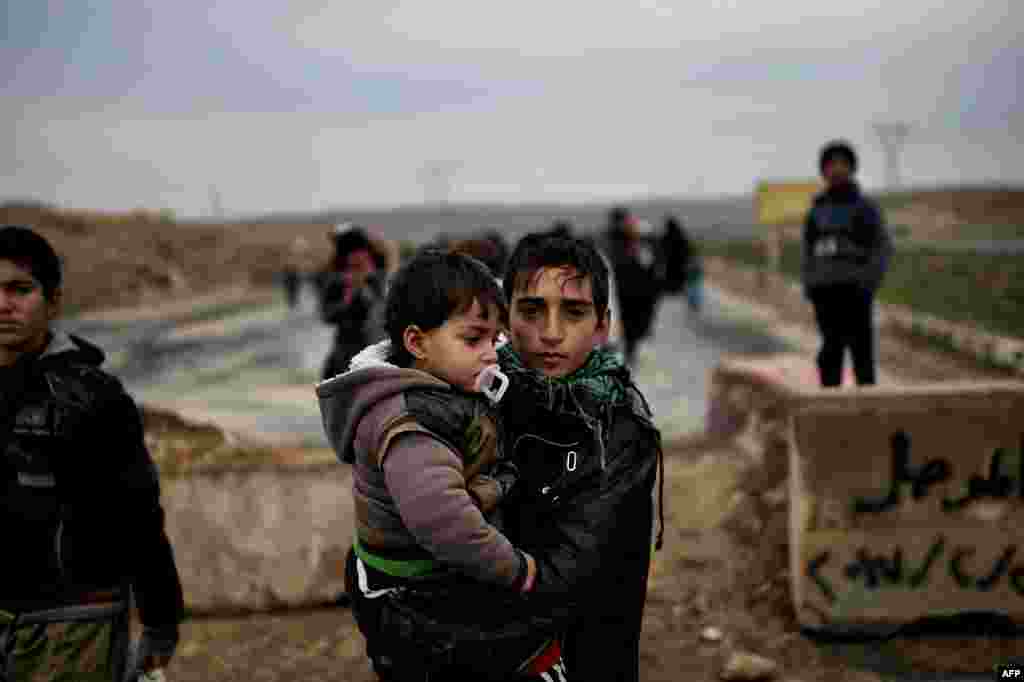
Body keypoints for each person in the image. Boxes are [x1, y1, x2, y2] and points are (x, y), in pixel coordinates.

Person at [317, 250, 567, 681]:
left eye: (495, 339)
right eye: (474, 340)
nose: (491, 354)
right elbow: (447, 526)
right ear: (417, 343)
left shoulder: (450, 385)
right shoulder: (411, 422)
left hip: (439, 586)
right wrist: (521, 572)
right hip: (423, 600)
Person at [0, 225, 185, 681]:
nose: (2, 305)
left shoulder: (94, 398)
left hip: (74, 625)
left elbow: (139, 513)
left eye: (19, 289)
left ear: (54, 301)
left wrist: (161, 618)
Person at [497, 232, 664, 682]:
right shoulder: (482, 405)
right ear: (505, 316)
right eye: (532, 311)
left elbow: (564, 577)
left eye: (573, 312)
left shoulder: (620, 428)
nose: (551, 333)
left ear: (602, 324)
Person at [801, 140, 893, 387]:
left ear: (852, 168)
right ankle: (830, 410)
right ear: (823, 171)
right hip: (825, 292)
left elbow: (882, 247)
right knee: (831, 352)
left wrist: (868, 282)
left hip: (856, 291)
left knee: (861, 352)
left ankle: (867, 412)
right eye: (831, 164)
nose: (837, 169)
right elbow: (807, 252)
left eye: (843, 163)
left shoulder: (866, 208)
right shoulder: (815, 212)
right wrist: (810, 285)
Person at [318, 223, 388, 381]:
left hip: (374, 352)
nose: (357, 262)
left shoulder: (377, 277)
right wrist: (349, 299)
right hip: (346, 352)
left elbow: (384, 308)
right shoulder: (337, 281)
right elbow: (327, 315)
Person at [601, 206, 661, 367]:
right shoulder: (614, 240)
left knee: (628, 326)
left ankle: (625, 351)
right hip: (623, 291)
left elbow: (648, 263)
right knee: (622, 326)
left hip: (631, 292)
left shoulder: (635, 239)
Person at [658, 215, 703, 313]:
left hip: (673, 268)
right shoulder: (682, 236)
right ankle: (694, 303)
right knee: (691, 285)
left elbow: (660, 253)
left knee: (688, 285)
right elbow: (690, 251)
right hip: (684, 266)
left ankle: (692, 302)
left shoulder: (664, 238)